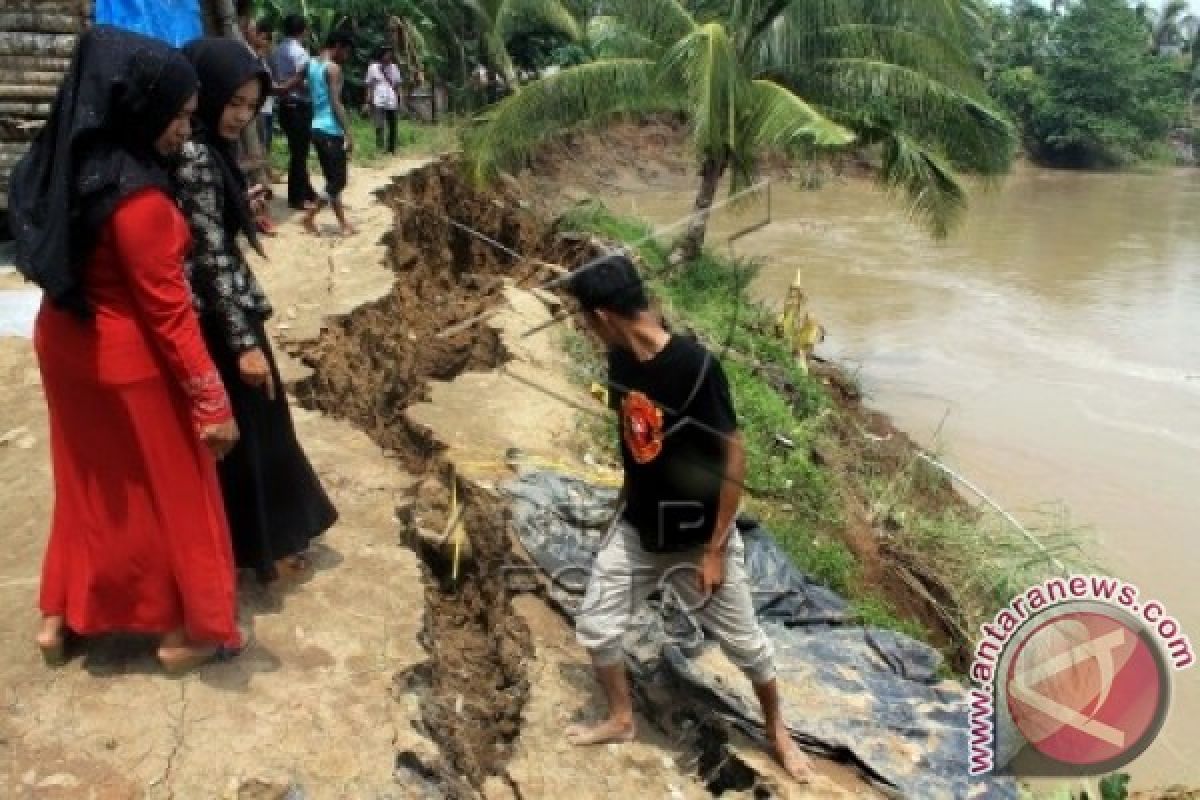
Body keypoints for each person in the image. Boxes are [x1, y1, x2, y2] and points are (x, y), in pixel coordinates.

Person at [7, 26, 244, 673]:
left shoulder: (62, 161)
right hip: (127, 361)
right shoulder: (137, 199)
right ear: (137, 105)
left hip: (63, 345)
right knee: (174, 492)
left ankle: (60, 618)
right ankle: (184, 630)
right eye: (177, 116)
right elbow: (168, 315)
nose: (183, 131)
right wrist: (211, 401)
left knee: (88, 486)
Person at [563, 254, 816, 782]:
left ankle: (778, 733)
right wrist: (618, 516)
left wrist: (716, 547)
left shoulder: (696, 368)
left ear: (605, 315)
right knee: (596, 624)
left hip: (697, 538)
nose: (585, 329)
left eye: (586, 318)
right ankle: (621, 717)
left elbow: (735, 453)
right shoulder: (619, 362)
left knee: (747, 646)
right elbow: (633, 442)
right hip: (639, 529)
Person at [174, 37, 339, 584]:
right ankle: (270, 548)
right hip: (223, 319)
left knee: (261, 432)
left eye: (250, 105)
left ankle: (267, 544)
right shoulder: (196, 155)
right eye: (233, 102)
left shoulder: (206, 149)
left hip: (227, 310)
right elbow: (210, 254)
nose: (241, 115)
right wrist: (243, 341)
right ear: (208, 92)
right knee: (258, 434)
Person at [302, 31, 355, 236]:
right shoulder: (333, 69)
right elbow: (335, 103)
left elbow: (305, 86)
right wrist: (348, 133)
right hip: (330, 130)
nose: (347, 56)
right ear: (339, 46)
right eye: (347, 51)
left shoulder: (312, 64)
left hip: (316, 128)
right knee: (339, 181)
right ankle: (309, 217)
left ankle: (343, 224)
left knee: (332, 181)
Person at [271, 13, 315, 210]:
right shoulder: (300, 53)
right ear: (303, 30)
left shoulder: (276, 51)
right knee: (299, 153)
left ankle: (307, 191)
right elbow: (304, 82)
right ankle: (296, 198)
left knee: (296, 150)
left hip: (284, 106)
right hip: (298, 106)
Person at [364, 46, 402, 154]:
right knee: (379, 125)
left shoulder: (394, 67)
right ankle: (380, 149)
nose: (389, 56)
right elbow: (368, 85)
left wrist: (400, 99)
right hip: (378, 100)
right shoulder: (373, 67)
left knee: (393, 126)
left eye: (390, 53)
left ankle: (391, 149)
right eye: (387, 53)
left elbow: (398, 85)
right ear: (381, 55)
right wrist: (367, 101)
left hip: (392, 100)